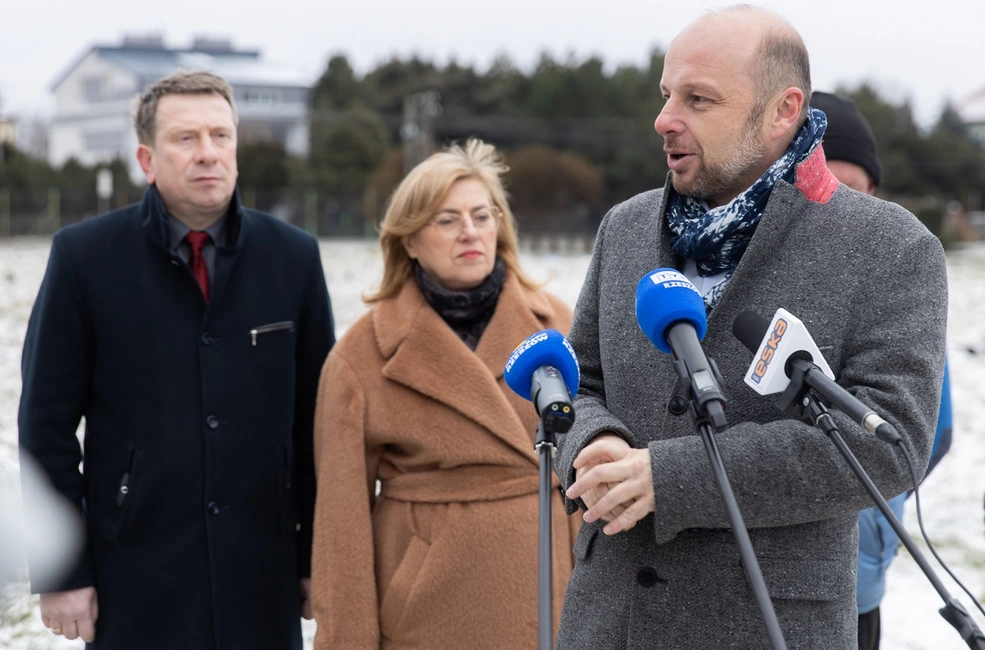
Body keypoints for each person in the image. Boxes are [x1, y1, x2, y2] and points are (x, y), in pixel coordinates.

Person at [555, 6, 947, 649]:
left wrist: (669, 478)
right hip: (609, 622)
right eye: (666, 95)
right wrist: (591, 443)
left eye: (698, 98)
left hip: (768, 625)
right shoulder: (624, 228)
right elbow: (580, 377)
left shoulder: (890, 247)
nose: (664, 119)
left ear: (782, 110)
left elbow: (890, 444)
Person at [18, 70, 335, 649]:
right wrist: (63, 570)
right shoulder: (83, 259)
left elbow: (318, 423)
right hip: (135, 569)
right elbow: (45, 424)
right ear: (147, 158)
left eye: (221, 135)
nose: (207, 153)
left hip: (261, 568)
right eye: (186, 139)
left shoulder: (294, 258)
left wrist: (318, 552)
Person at [310, 139, 578, 649]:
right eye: (447, 220)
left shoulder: (559, 326)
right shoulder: (362, 355)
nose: (470, 232)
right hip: (425, 615)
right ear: (408, 240)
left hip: (552, 596)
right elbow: (339, 529)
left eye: (482, 215)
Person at [810, 90, 954, 650]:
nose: (839, 206)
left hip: (859, 587)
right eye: (825, 185)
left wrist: (877, 515)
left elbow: (930, 432)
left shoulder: (897, 287)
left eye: (855, 190)